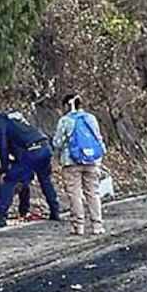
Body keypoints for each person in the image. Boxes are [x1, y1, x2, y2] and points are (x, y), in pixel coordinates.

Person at [0, 106, 60, 229]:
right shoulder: (14, 122)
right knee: (45, 180)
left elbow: (3, 147)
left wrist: (5, 170)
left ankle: (0, 217)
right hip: (45, 148)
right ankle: (55, 211)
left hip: (32, 151)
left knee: (9, 180)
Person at [52, 94, 106, 236]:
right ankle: (97, 225)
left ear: (66, 105)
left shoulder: (65, 120)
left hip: (71, 162)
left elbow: (57, 143)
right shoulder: (91, 118)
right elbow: (98, 138)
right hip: (92, 161)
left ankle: (79, 226)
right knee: (93, 193)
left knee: (75, 193)